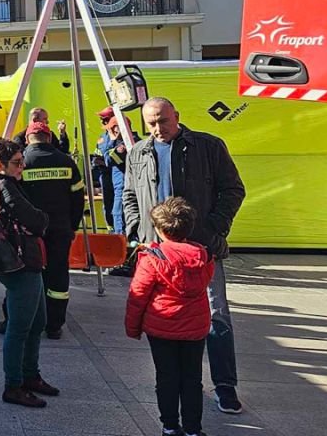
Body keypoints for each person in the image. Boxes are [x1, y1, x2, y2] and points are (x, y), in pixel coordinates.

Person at [122, 97, 246, 415]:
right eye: (150, 123)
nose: (157, 128)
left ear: (177, 116)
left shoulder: (207, 146)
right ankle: (175, 384)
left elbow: (233, 189)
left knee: (216, 315)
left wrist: (213, 229)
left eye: (163, 121)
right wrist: (137, 230)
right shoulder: (139, 151)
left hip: (201, 250)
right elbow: (129, 193)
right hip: (157, 253)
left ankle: (225, 386)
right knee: (165, 318)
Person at [0, 137, 56, 408]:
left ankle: (30, 376)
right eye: (17, 163)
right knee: (20, 328)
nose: (22, 168)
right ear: (0, 165)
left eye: (22, 162)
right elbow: (36, 220)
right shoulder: (4, 185)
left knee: (38, 321)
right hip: (19, 262)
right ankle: (14, 385)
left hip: (18, 260)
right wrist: (42, 219)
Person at [125, 197, 215, 436]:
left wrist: (133, 327)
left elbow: (138, 296)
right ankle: (193, 429)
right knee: (192, 378)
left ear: (159, 229)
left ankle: (170, 426)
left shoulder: (153, 259)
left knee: (166, 377)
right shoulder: (203, 257)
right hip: (195, 328)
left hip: (161, 327)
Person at [19, 121, 86, 340]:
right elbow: (78, 199)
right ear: (48, 138)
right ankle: (54, 324)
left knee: (27, 274)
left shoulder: (22, 162)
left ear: (28, 138)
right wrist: (72, 226)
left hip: (29, 231)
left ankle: (23, 320)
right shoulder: (66, 162)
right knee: (58, 275)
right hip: (60, 229)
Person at [95, 107, 139, 237]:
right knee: (112, 211)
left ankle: (122, 242)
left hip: (124, 186)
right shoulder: (111, 141)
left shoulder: (126, 144)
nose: (107, 128)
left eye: (110, 127)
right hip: (113, 183)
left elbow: (109, 159)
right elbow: (98, 160)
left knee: (119, 213)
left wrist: (113, 140)